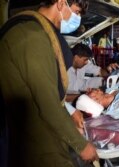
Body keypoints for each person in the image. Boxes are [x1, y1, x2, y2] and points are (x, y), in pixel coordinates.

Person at [0, 0, 99, 166]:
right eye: (77, 12)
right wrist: (81, 145)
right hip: (35, 136)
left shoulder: (31, 29)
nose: (77, 19)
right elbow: (47, 100)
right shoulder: (32, 36)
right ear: (61, 3)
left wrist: (70, 112)